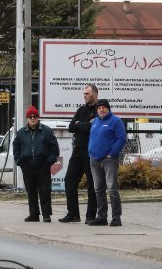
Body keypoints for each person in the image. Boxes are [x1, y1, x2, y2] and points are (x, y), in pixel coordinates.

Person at [60, 84, 99, 223]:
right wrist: (83, 125)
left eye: (87, 94)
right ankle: (73, 213)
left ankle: (90, 216)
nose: (85, 96)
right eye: (84, 94)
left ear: (94, 94)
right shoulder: (81, 110)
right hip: (78, 150)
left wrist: (80, 125)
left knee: (92, 184)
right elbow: (71, 127)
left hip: (91, 151)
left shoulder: (99, 110)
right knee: (69, 180)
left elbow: (92, 129)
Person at [13, 105, 60, 223]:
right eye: (30, 117)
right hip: (27, 167)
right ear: (27, 119)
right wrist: (19, 160)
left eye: (35, 116)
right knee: (31, 191)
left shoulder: (47, 131)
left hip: (43, 166)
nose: (33, 118)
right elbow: (16, 147)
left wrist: (50, 160)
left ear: (38, 118)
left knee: (44, 191)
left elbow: (54, 148)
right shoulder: (21, 133)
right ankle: (33, 214)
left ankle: (46, 215)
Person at [87, 99, 127, 227]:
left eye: (104, 107)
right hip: (94, 159)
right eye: (99, 108)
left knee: (112, 189)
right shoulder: (95, 121)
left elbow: (121, 138)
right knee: (98, 189)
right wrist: (90, 151)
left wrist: (112, 153)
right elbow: (91, 137)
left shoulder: (116, 121)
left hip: (109, 159)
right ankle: (101, 217)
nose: (101, 110)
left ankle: (116, 218)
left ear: (108, 108)